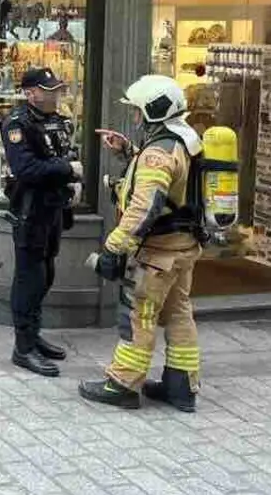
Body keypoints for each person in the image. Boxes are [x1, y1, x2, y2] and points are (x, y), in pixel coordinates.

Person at [80, 75, 204, 412]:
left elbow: (144, 206)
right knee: (179, 313)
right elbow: (172, 181)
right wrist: (128, 152)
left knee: (139, 317)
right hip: (182, 249)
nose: (135, 117)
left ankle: (122, 384)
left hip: (157, 255)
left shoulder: (158, 154)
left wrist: (114, 245)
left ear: (153, 110)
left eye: (137, 111)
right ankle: (181, 387)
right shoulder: (182, 140)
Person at [0, 67, 83, 378]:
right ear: (30, 92)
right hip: (30, 212)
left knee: (46, 273)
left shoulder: (58, 120)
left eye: (57, 88)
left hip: (54, 210)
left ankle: (33, 335)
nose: (55, 94)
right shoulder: (17, 123)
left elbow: (65, 153)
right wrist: (68, 171)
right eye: (48, 89)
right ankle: (23, 347)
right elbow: (26, 169)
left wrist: (72, 182)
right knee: (29, 278)